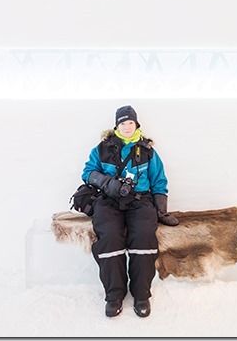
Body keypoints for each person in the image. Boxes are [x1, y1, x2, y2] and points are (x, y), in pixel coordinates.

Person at [81, 105, 179, 318]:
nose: (127, 126)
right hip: (109, 201)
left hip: (140, 201)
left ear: (136, 124)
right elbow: (88, 173)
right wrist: (108, 183)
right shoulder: (102, 148)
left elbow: (159, 181)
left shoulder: (147, 151)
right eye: (123, 123)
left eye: (130, 123)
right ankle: (114, 295)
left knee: (144, 236)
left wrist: (161, 210)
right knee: (109, 237)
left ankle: (141, 294)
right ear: (116, 125)